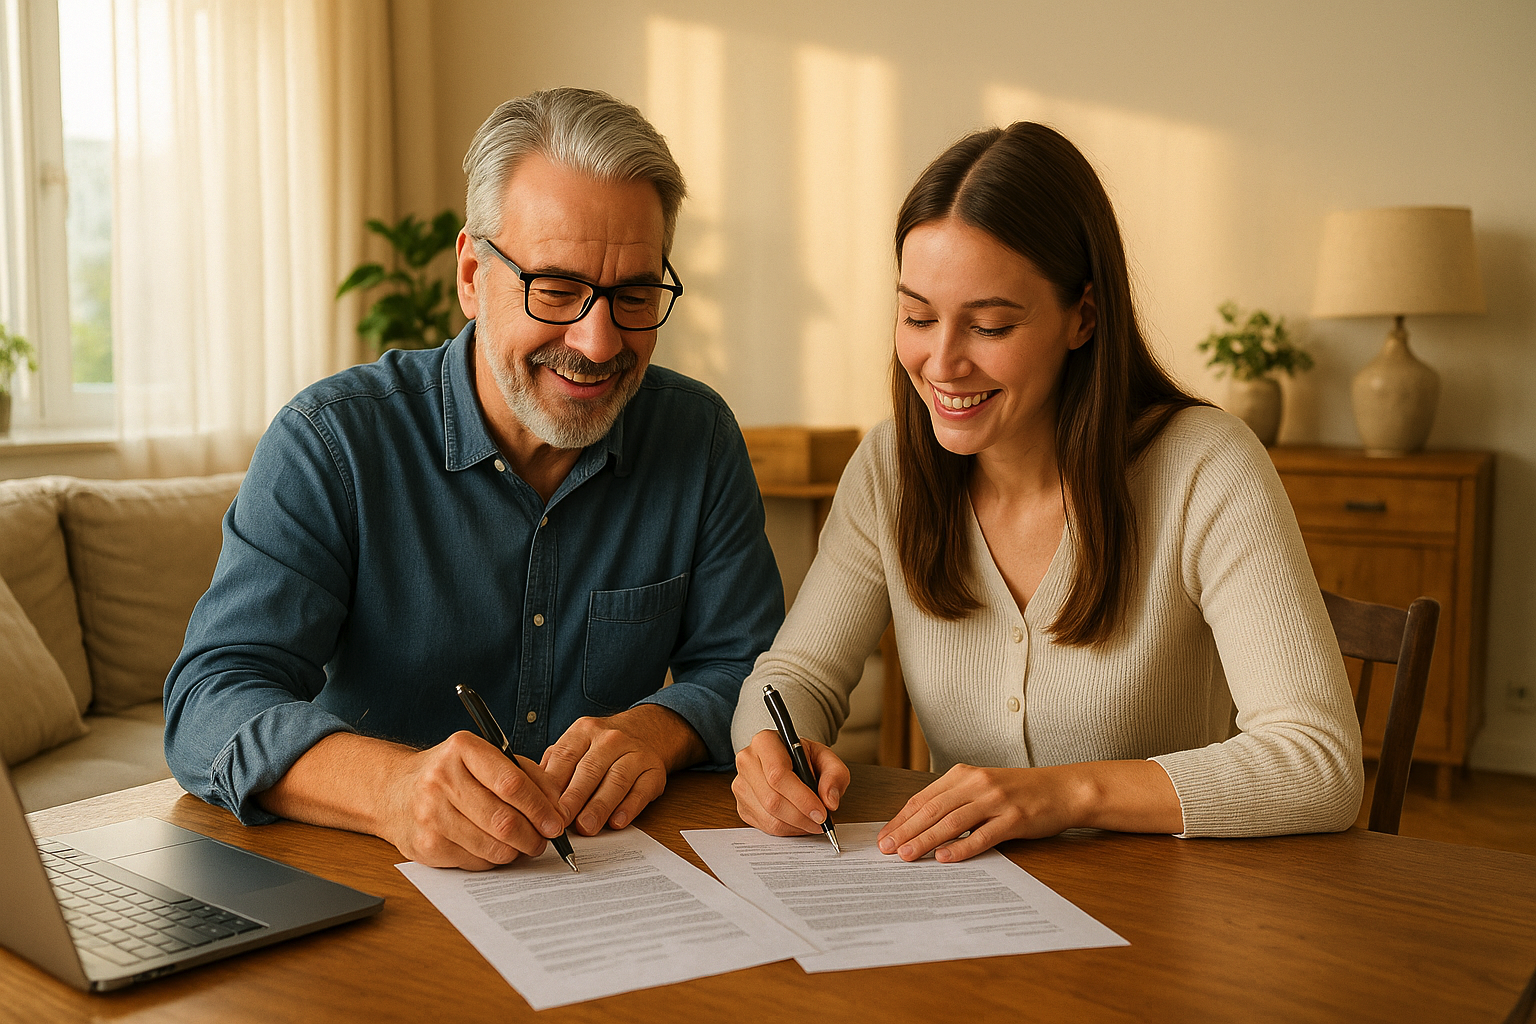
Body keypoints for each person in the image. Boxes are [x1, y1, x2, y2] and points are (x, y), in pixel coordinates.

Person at [165, 88, 783, 871]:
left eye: (633, 296)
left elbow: (752, 669)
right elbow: (207, 701)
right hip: (366, 886)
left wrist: (655, 729)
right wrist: (392, 788)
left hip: (604, 886)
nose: (598, 343)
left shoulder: (697, 437)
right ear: (470, 275)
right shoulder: (332, 443)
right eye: (554, 289)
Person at [730, 123, 1362, 862]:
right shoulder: (890, 469)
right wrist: (771, 755)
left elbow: (1319, 761)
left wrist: (1063, 794)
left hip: (1182, 924)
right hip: (969, 914)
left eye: (990, 325)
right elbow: (792, 676)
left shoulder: (1204, 468)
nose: (941, 362)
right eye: (917, 316)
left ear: (1082, 318)